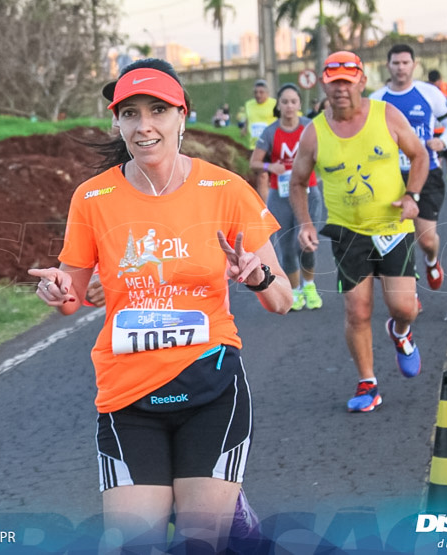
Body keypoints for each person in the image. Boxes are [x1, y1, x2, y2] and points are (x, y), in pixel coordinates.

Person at [29, 58, 291, 553]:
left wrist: (255, 275)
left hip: (211, 386)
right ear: (117, 123)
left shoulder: (225, 189)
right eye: (130, 113)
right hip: (128, 396)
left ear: (183, 117)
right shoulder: (93, 198)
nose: (144, 125)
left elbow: (282, 299)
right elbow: (73, 296)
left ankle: (221, 505)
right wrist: (59, 291)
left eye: (158, 111)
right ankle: (222, 504)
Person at [289, 51, 427, 413]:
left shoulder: (386, 115)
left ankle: (400, 331)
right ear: (324, 85)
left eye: (347, 83)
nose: (341, 91)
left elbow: (419, 155)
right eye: (334, 84)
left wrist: (412, 196)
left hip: (394, 226)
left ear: (362, 83)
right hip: (348, 233)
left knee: (403, 306)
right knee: (358, 311)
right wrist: (305, 223)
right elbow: (298, 183)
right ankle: (368, 383)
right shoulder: (314, 132)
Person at [371, 46, 447, 296]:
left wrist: (443, 142)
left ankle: (432, 261)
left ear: (414, 65)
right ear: (387, 66)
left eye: (405, 63)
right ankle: (409, 295)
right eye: (396, 63)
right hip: (389, 178)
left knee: (426, 239)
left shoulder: (429, 93)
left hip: (426, 173)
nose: (401, 67)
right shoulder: (377, 99)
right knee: (396, 242)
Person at [249, 83, 323, 311]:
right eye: (285, 102)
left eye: (293, 101)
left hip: (308, 192)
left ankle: (309, 286)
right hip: (280, 197)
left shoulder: (309, 127)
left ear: (300, 104)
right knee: (287, 248)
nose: (289, 106)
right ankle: (295, 291)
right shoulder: (271, 132)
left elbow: (324, 155)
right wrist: (272, 166)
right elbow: (254, 163)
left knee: (307, 244)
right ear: (278, 106)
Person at [242, 79, 278, 201]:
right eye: (256, 92)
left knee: (272, 178)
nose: (258, 95)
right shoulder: (249, 104)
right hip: (255, 147)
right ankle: (267, 208)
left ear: (267, 93)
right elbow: (249, 118)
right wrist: (245, 129)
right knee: (262, 176)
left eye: (261, 92)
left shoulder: (275, 104)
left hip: (272, 146)